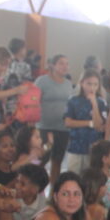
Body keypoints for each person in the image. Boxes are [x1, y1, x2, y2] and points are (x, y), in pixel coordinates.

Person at [36, 55, 74, 183]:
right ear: (52, 65)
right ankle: (35, 185)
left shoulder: (69, 84)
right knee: (42, 158)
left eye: (67, 64)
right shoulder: (42, 81)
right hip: (44, 126)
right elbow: (33, 102)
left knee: (57, 160)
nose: (65, 66)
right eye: (61, 63)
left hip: (63, 127)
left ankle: (54, 190)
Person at [64, 70, 107, 176]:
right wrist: (89, 123)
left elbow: (99, 125)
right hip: (76, 145)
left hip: (93, 147)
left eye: (95, 84)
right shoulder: (73, 101)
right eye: (89, 84)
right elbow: (68, 122)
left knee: (90, 177)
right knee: (72, 175)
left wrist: (94, 103)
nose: (92, 87)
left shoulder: (101, 102)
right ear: (81, 83)